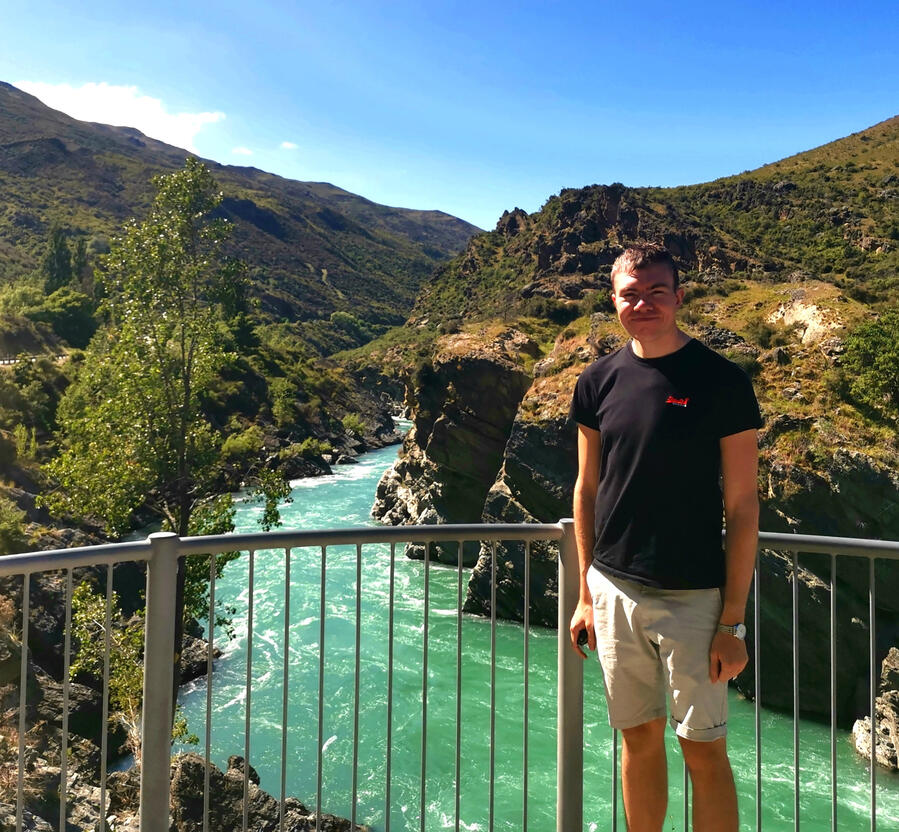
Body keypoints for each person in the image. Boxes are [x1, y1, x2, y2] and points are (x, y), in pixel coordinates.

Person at [568, 243, 762, 832]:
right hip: (613, 591)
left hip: (695, 598)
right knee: (638, 739)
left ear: (679, 296)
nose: (643, 304)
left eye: (656, 291)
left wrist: (732, 623)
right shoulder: (597, 380)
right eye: (630, 294)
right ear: (613, 301)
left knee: (704, 751)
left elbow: (743, 506)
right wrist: (585, 595)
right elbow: (586, 490)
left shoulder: (722, 381)